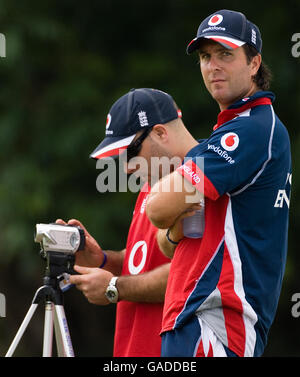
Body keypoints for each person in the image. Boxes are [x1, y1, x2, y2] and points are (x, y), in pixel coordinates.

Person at [146, 10, 292, 357]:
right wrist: (174, 229)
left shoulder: (251, 130)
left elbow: (158, 207)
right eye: (205, 56)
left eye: (225, 54)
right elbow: (172, 241)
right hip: (199, 320)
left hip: (214, 324)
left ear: (254, 63)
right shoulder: (234, 130)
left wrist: (168, 206)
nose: (213, 66)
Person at [57, 88, 199, 356]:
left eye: (130, 151)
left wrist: (113, 288)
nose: (126, 167)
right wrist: (101, 259)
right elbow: (142, 261)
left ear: (160, 133)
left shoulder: (200, 179)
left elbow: (192, 274)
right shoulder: (154, 181)